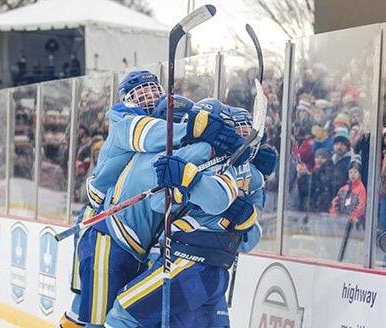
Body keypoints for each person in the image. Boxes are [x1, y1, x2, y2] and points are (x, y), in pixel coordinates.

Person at [60, 71, 245, 327]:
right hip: (108, 229)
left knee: (96, 309)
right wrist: (205, 138)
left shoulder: (166, 144)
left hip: (134, 242)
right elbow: (152, 134)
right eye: (140, 93)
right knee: (98, 316)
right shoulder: (124, 119)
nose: (148, 97)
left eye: (152, 90)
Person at [104, 101, 265, 327]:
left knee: (122, 315)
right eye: (239, 131)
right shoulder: (233, 167)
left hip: (188, 264)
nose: (243, 138)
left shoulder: (236, 169)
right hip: (213, 272)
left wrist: (187, 179)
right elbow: (160, 202)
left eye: (246, 133)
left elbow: (218, 199)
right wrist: (180, 187)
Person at [330, 154, 367, 227]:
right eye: (351, 172)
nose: (352, 175)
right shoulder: (343, 189)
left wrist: (352, 218)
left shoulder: (361, 189)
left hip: (354, 223)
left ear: (359, 174)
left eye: (355, 172)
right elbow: (335, 202)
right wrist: (334, 214)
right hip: (341, 222)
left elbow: (361, 206)